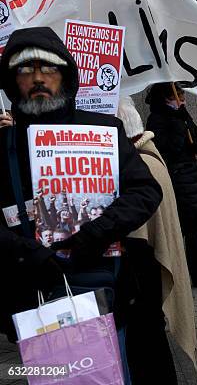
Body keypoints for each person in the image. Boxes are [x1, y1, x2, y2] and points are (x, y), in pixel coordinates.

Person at [0, 26, 162, 352]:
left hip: (104, 285)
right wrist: (26, 253)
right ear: (12, 81)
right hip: (32, 296)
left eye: (48, 68)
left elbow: (145, 192)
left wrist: (94, 233)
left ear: (65, 74)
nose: (38, 79)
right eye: (25, 70)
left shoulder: (102, 130)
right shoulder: (3, 147)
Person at [117, 96, 197, 384]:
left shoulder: (140, 163)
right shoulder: (147, 155)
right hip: (145, 272)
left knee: (146, 341)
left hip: (142, 272)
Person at [145, 82, 197, 289]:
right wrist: (178, 126)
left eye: (182, 94)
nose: (182, 99)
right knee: (185, 229)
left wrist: (185, 123)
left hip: (191, 180)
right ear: (165, 98)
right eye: (177, 95)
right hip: (177, 181)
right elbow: (166, 149)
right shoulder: (158, 119)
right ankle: (191, 275)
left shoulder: (182, 114)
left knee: (193, 229)